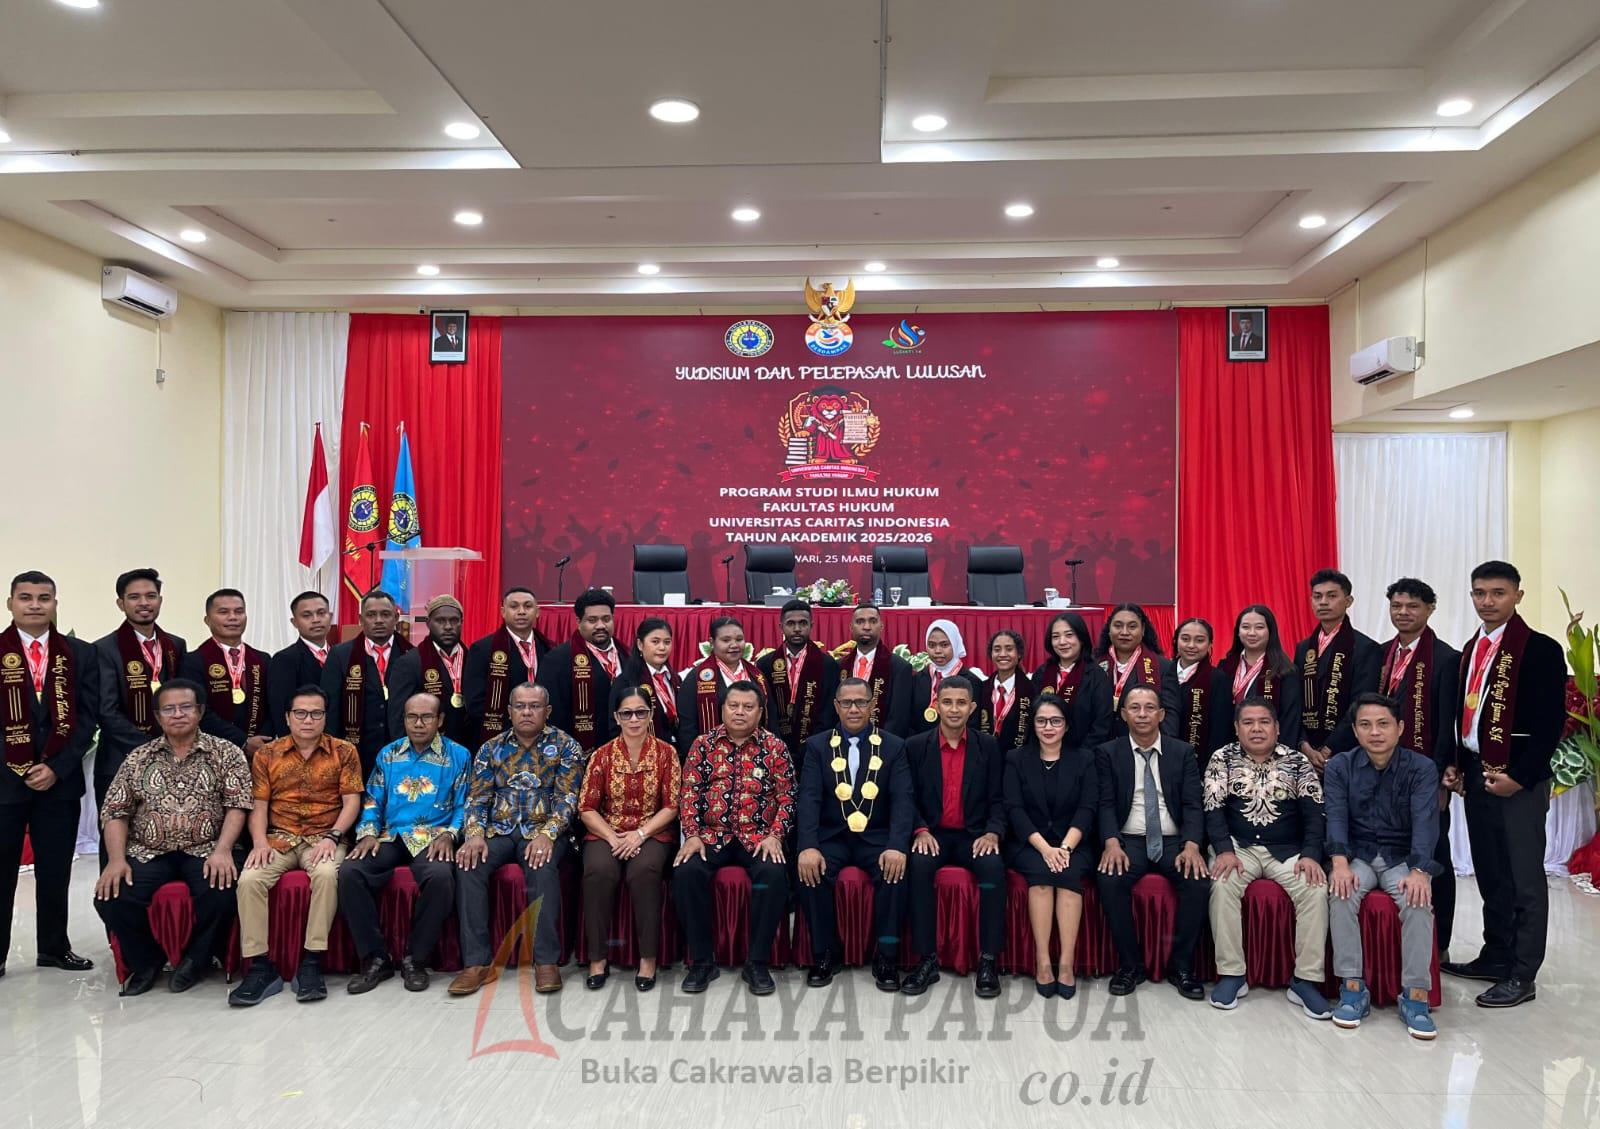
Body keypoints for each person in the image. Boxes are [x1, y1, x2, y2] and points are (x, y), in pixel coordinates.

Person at [1441, 560, 1566, 1008]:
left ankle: (1522, 972)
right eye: (1479, 593)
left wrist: (1520, 778)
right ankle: (1496, 955)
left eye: (1498, 593)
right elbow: (1468, 715)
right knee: (1491, 870)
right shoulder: (1472, 647)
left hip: (1518, 780)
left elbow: (1550, 724)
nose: (1487, 601)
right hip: (1478, 773)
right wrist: (1457, 764)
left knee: (1523, 877)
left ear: (1517, 596)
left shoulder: (1539, 649)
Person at [93, 679, 251, 996]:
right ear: (157, 716)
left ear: (200, 711)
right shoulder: (138, 757)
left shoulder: (226, 753)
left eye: (186, 707)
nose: (178, 714)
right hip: (149, 850)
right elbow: (115, 811)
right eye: (169, 709)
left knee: (222, 892)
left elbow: (237, 805)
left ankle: (196, 960)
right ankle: (147, 961)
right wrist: (116, 860)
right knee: (111, 897)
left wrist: (223, 850)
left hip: (207, 848)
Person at [229, 685, 363, 1007]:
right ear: (288, 717)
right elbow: (259, 805)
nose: (308, 720)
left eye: (316, 713)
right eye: (300, 713)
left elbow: (351, 801)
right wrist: (258, 843)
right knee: (250, 879)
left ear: (325, 717)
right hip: (279, 837)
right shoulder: (267, 754)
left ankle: (311, 962)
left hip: (324, 837)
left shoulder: (344, 751)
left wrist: (333, 836)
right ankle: (260, 967)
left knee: (327, 875)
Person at [450, 682, 585, 997]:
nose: (527, 712)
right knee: (469, 864)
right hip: (499, 830)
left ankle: (546, 961)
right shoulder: (491, 748)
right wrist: (474, 835)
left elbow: (568, 799)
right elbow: (477, 799)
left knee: (541, 864)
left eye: (534, 706)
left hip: (544, 830)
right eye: (520, 706)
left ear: (547, 711)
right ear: (509, 711)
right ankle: (476, 963)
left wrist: (548, 835)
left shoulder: (566, 746)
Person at [0, 571, 100, 978]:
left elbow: (88, 716)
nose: (35, 605)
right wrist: (19, 763)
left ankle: (54, 948)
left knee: (56, 869)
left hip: (59, 783)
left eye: (44, 598)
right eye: (26, 597)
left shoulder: (79, 653)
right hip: (5, 783)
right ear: (10, 603)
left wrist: (57, 767)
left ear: (55, 604)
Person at [1326, 693, 1442, 1038]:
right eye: (1365, 725)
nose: (1374, 732)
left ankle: (1415, 996)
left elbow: (1425, 822)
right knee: (1341, 893)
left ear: (1400, 727)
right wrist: (1339, 864)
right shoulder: (1340, 766)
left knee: (1418, 902)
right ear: (1355, 731)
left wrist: (1420, 871)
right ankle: (1352, 989)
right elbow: (1336, 817)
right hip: (1358, 855)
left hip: (1401, 857)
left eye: (1383, 724)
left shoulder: (1421, 768)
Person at [339, 692, 471, 995]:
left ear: (440, 720)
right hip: (391, 834)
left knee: (441, 877)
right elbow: (372, 800)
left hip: (434, 837)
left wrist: (451, 835)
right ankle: (376, 958)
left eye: (426, 717)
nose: (418, 724)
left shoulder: (459, 755)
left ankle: (416, 959)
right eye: (412, 717)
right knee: (350, 871)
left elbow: (465, 804)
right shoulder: (388, 754)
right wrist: (368, 832)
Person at [1203, 698, 1329, 1017]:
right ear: (1236, 728)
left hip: (1286, 850)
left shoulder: (1298, 761)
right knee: (1222, 884)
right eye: (1248, 722)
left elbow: (1315, 815)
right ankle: (1232, 974)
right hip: (1238, 848)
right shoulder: (1222, 758)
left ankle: (1305, 980)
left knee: (1315, 889)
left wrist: (1311, 854)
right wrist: (1224, 850)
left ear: (1277, 727)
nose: (1256, 729)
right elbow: (1213, 811)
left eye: (1264, 722)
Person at [673, 681, 793, 996]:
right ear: (722, 709)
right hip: (712, 836)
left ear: (760, 712)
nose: (740, 712)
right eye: (734, 706)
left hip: (758, 836)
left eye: (748, 707)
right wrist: (692, 834)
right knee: (686, 872)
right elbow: (689, 793)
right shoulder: (703, 744)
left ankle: (757, 962)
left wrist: (776, 835)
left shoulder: (775, 746)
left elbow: (787, 797)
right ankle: (702, 961)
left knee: (773, 874)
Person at [797, 677, 914, 992]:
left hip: (876, 837)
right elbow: (809, 799)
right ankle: (825, 954)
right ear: (836, 706)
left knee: (895, 874)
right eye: (846, 703)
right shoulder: (817, 746)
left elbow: (903, 800)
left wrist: (897, 846)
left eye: (861, 702)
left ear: (872, 706)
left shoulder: (893, 746)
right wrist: (808, 846)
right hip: (832, 836)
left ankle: (886, 957)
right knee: (811, 873)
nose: (853, 709)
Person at [1095, 685, 1210, 999]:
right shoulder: (1108, 753)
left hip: (1173, 840)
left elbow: (1192, 805)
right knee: (1109, 878)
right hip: (1128, 839)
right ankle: (1130, 966)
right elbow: (1105, 803)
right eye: (1135, 708)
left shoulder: (1182, 752)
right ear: (1123, 714)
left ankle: (1181, 966)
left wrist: (1191, 845)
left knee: (1198, 881)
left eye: (1149, 708)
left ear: (1161, 714)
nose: (1142, 714)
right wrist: (1111, 842)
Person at [903, 674, 1004, 997]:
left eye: (961, 703)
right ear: (936, 705)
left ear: (972, 708)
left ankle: (988, 961)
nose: (954, 709)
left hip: (974, 836)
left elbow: (1000, 799)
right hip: (931, 834)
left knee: (993, 869)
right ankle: (926, 959)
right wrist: (919, 829)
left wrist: (993, 833)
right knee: (918, 867)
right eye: (947, 702)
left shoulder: (988, 746)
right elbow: (905, 797)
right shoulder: (915, 746)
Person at [1377, 578, 1460, 956]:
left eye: (1412, 606)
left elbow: (1447, 724)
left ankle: (1438, 944)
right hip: (1380, 771)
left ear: (1430, 609)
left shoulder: (1445, 658)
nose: (1403, 613)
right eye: (1397, 606)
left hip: (1425, 774)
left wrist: (1441, 777)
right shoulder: (1381, 654)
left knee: (1433, 854)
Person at [579, 686, 680, 991]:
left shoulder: (667, 753)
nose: (634, 719)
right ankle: (597, 958)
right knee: (599, 871)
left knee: (644, 872)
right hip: (606, 831)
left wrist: (640, 834)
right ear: (616, 717)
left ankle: (648, 959)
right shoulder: (601, 755)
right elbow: (586, 808)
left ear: (650, 715)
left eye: (640, 712)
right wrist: (613, 838)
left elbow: (672, 806)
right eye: (627, 713)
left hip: (652, 831)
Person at [1002, 695, 1097, 999]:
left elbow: (1087, 808)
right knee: (1041, 877)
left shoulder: (1084, 759)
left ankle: (1066, 964)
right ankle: (1043, 962)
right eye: (1041, 721)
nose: (1048, 727)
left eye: (1056, 721)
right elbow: (1015, 810)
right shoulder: (1016, 759)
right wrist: (1046, 849)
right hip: (1030, 842)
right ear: (1033, 725)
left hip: (1074, 842)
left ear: (1067, 726)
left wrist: (1065, 848)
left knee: (1068, 876)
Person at [93, 568, 188, 818]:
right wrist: (151, 748)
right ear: (121, 603)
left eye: (151, 596)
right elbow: (106, 711)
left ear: (160, 600)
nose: (144, 603)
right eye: (134, 597)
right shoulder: (104, 649)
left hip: (173, 761)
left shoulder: (175, 645)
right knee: (117, 834)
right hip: (120, 760)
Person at [1293, 569, 1381, 773]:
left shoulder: (1366, 648)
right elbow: (1295, 701)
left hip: (1347, 752)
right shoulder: (1303, 648)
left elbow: (1361, 704)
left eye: (1332, 596)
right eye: (1317, 596)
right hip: (1305, 753)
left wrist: (1329, 749)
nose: (1323, 602)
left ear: (1348, 601)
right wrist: (1304, 745)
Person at [322, 588, 410, 780]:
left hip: (401, 751)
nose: (378, 620)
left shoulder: (411, 655)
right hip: (355, 752)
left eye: (385, 614)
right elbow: (331, 708)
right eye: (371, 615)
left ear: (396, 618)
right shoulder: (340, 655)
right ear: (361, 620)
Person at [179, 588, 271, 763]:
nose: (233, 617)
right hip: (212, 754)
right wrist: (243, 742)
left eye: (239, 611)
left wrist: (262, 740)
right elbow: (198, 710)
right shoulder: (193, 661)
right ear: (207, 620)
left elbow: (271, 706)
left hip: (260, 753)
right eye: (223, 612)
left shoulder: (263, 659)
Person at [538, 588, 626, 752]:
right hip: (578, 753)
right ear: (579, 622)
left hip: (624, 751)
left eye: (606, 619)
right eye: (592, 620)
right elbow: (552, 717)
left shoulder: (628, 656)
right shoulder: (556, 660)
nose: (600, 626)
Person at [464, 586, 551, 748]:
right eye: (514, 606)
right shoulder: (482, 649)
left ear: (537, 612)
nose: (521, 612)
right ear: (503, 612)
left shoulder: (549, 649)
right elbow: (475, 702)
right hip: (499, 740)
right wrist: (517, 732)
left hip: (543, 738)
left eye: (527, 606)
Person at [676, 616, 778, 751]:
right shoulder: (696, 678)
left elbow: (771, 718)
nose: (734, 645)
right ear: (712, 642)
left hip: (756, 754)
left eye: (739, 639)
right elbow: (687, 728)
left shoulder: (757, 676)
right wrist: (697, 757)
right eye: (726, 640)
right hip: (712, 756)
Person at [1212, 605, 1303, 752]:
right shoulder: (1225, 667)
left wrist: (1280, 756)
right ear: (1238, 632)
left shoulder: (1285, 670)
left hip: (1270, 754)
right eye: (1245, 627)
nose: (1252, 633)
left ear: (1270, 631)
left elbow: (1290, 721)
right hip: (1229, 752)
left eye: (1259, 627)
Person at [758, 599, 840, 762]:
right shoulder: (765, 664)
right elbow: (765, 708)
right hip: (774, 746)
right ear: (781, 626)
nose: (797, 629)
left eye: (803, 623)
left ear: (811, 625)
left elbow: (829, 710)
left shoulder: (827, 664)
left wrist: (814, 743)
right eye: (791, 623)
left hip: (817, 747)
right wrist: (776, 741)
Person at [387, 595, 472, 746]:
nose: (448, 626)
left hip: (470, 748)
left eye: (454, 620)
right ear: (428, 623)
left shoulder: (474, 658)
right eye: (440, 621)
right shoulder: (409, 663)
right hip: (427, 751)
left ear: (462, 622)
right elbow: (398, 719)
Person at [1032, 612, 1114, 749]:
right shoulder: (1041, 673)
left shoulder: (1096, 675)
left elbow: (1102, 723)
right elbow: (1032, 716)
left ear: (1081, 638)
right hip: (1044, 753)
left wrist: (1081, 755)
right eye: (1056, 637)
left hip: (1084, 754)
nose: (1062, 642)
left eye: (1069, 635)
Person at [829, 603, 913, 736]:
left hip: (883, 742)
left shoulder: (899, 668)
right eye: (860, 621)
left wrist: (878, 743)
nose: (867, 627)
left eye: (873, 621)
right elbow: (831, 712)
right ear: (851, 627)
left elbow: (898, 719)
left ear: (881, 626)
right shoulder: (838, 666)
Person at [615, 617, 684, 755]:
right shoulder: (626, 681)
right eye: (655, 642)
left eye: (667, 642)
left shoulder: (675, 679)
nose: (662, 648)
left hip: (677, 753)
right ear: (640, 644)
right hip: (642, 755)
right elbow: (614, 727)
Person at [267, 591, 332, 737]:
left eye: (321, 613)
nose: (316, 620)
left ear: (330, 616)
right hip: (303, 742)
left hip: (339, 742)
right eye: (307, 615)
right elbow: (280, 711)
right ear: (294, 622)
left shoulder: (341, 655)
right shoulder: (284, 659)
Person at [908, 619, 982, 737]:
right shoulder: (917, 679)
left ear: (955, 644)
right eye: (932, 645)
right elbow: (911, 721)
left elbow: (973, 725)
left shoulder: (972, 682)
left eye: (944, 645)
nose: (937, 651)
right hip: (921, 745)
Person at [1161, 617, 1219, 762]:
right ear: (1176, 641)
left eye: (1199, 640)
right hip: (1161, 755)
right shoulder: (1161, 672)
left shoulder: (1218, 679)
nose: (1191, 645)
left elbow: (1219, 730)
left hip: (1200, 759)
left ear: (1210, 644)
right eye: (1185, 639)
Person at [976, 630, 1035, 750]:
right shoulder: (981, 688)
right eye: (997, 649)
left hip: (1018, 757)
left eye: (1009, 649)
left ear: (1019, 654)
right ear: (991, 654)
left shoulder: (1031, 690)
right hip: (985, 756)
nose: (1002, 654)